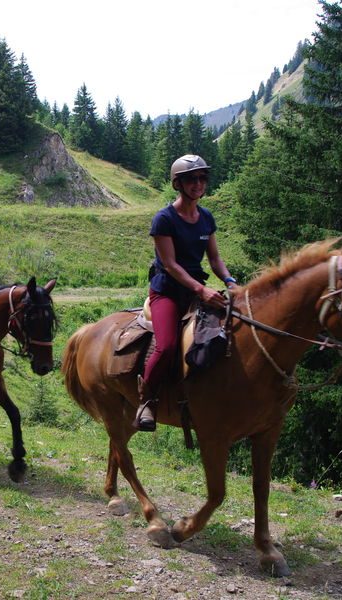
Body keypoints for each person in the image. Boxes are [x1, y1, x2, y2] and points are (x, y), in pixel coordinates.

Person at [135, 155, 237, 432]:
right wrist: (202, 290)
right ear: (178, 183)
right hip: (167, 292)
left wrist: (229, 281)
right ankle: (147, 400)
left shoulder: (206, 217)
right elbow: (170, 265)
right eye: (192, 179)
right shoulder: (164, 219)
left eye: (202, 178)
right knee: (167, 345)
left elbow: (214, 259)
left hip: (196, 291)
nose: (198, 184)